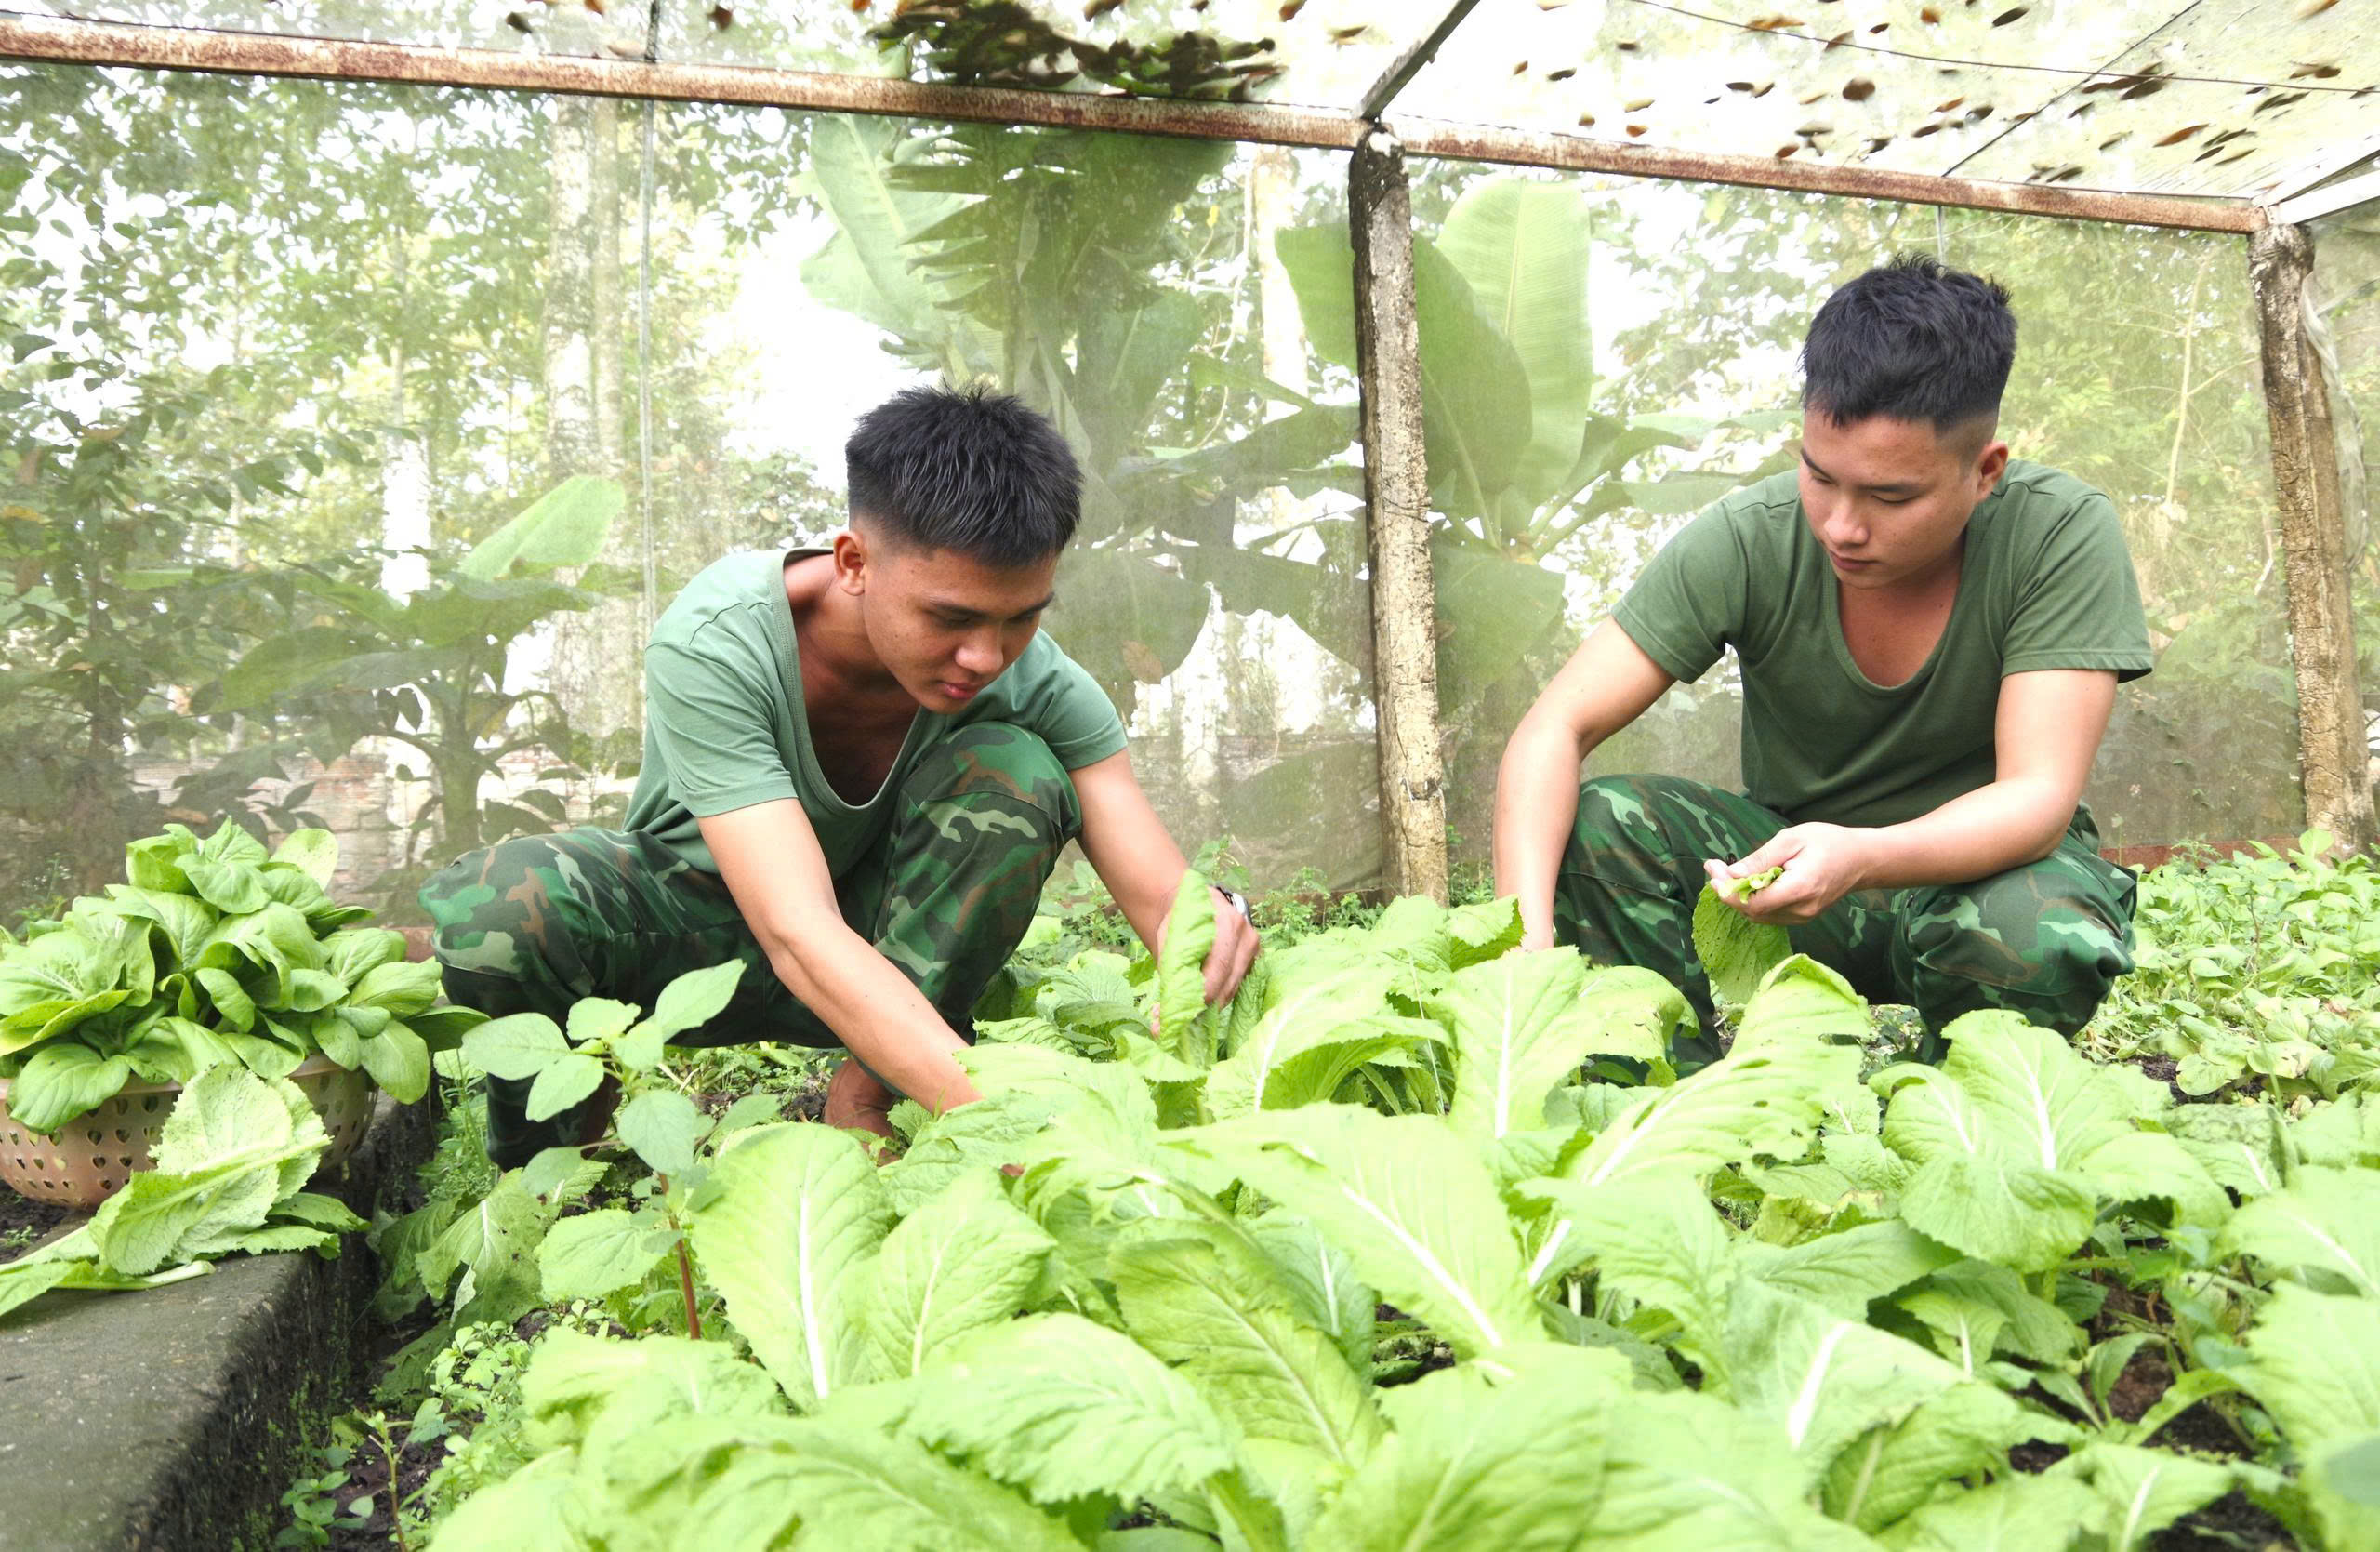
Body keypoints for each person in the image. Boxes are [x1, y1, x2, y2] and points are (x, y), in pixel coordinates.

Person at [421, 385, 1258, 1165]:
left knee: (1018, 769)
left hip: (887, 953)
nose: (986, 655)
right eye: (951, 617)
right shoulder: (719, 639)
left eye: (1022, 616)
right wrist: (1013, 1130)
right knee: (496, 907)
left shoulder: (1033, 674)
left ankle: (868, 1098)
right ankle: (564, 1166)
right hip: (687, 940)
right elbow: (796, 931)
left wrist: (1210, 938)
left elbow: (1164, 894)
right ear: (854, 562)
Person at [1493, 254, 2151, 1066]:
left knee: (2035, 924)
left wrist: (1861, 854)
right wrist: (1525, 949)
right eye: (1818, 475)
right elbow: (1553, 727)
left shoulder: (2060, 534)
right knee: (1601, 826)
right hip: (1793, 894)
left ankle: (1975, 1110)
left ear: (1985, 472)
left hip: (1982, 882)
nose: (1841, 525)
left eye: (1891, 496)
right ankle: (1667, 1117)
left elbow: (2037, 796)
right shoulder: (1748, 536)